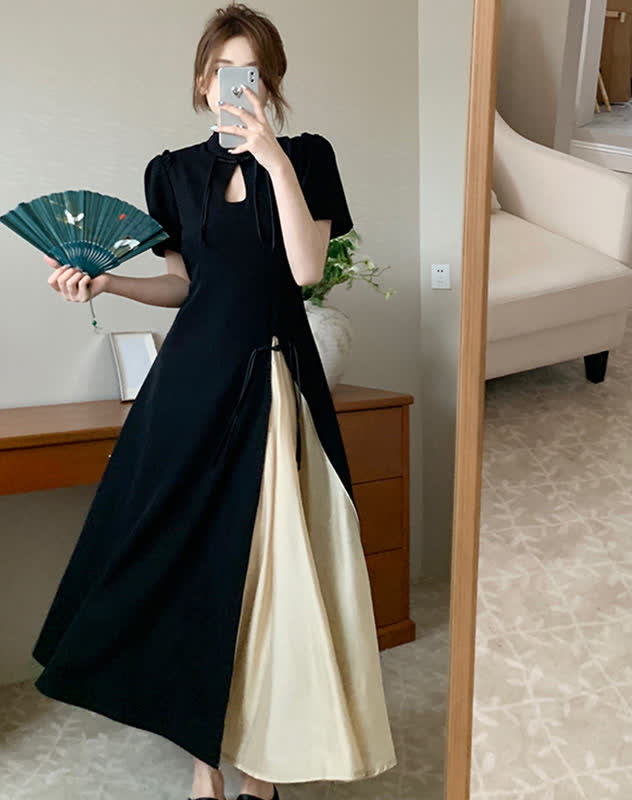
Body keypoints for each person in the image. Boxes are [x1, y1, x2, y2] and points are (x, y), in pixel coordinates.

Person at [32, 4, 397, 799]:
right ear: (203, 82)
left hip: (273, 381)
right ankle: (205, 765)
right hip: (189, 386)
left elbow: (306, 269)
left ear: (273, 82)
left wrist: (271, 157)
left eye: (252, 73)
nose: (237, 85)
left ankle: (261, 771)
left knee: (271, 573)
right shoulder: (168, 172)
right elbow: (183, 287)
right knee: (186, 568)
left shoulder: (307, 156)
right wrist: (108, 283)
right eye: (224, 71)